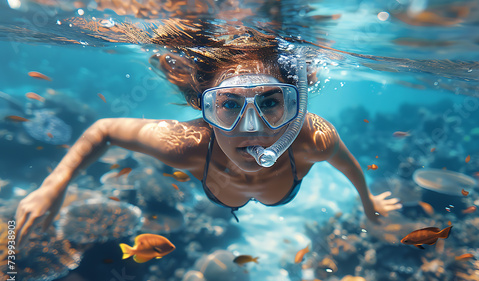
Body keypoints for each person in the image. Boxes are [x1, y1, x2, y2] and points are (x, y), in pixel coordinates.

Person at [15, 26, 402, 247]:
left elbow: (351, 169)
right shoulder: (188, 146)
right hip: (230, 192)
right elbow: (104, 131)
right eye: (228, 105)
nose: (253, 128)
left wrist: (368, 202)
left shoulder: (310, 139)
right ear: (204, 108)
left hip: (277, 189)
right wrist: (55, 185)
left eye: (270, 102)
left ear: (296, 103)